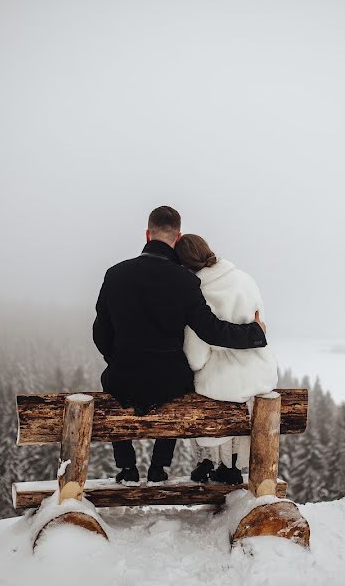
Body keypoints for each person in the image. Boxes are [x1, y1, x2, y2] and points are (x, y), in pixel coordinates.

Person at [92, 206, 268, 484]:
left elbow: (101, 332)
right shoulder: (186, 280)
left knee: (111, 383)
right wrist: (254, 334)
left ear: (147, 233)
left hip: (123, 376)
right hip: (170, 380)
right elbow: (211, 330)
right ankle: (158, 468)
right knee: (179, 383)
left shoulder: (115, 274)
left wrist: (117, 359)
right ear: (178, 235)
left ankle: (127, 468)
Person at [175, 234, 278, 485]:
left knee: (199, 386)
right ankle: (231, 463)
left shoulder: (197, 290)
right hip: (261, 373)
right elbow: (260, 327)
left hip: (224, 381)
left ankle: (209, 460)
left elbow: (196, 356)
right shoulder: (244, 278)